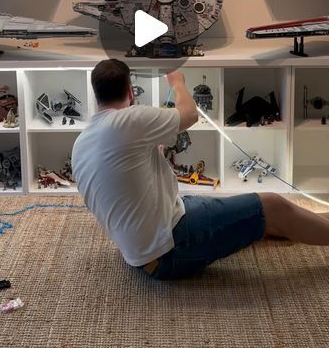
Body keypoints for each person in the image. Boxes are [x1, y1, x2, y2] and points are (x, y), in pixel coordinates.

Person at [72, 59, 329, 281]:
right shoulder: (130, 120)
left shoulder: (82, 142)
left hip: (141, 248)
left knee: (245, 211)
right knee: (272, 205)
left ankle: (307, 221)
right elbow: (189, 115)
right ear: (130, 90)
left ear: (96, 95)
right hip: (167, 251)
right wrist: (177, 82)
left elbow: (123, 180)